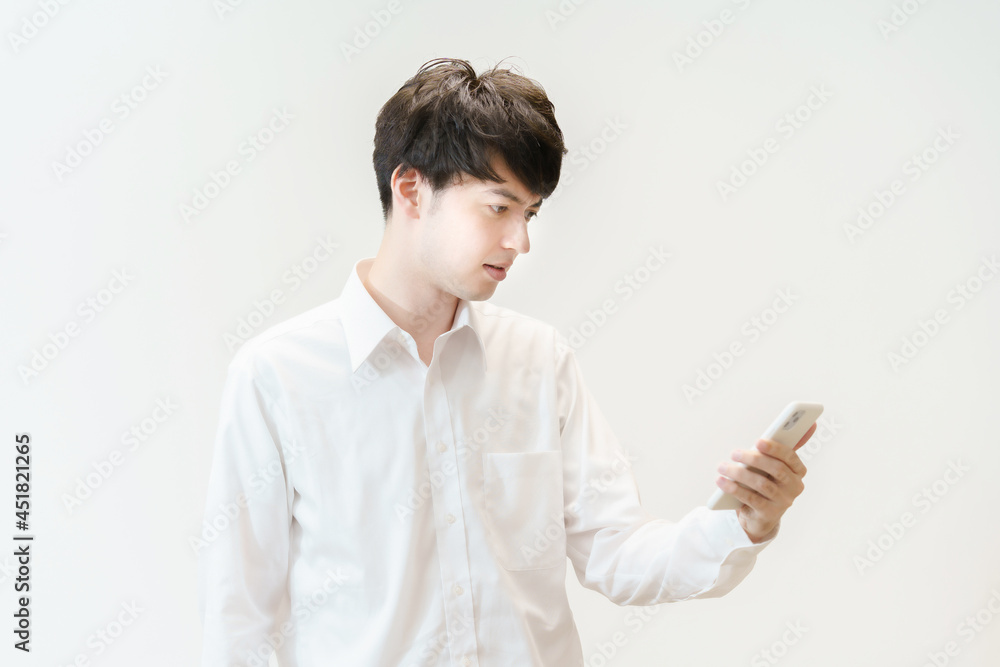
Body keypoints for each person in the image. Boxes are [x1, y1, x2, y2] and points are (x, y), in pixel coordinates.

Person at [197, 56, 815, 667]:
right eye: (499, 207)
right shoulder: (276, 377)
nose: (521, 241)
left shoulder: (539, 361)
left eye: (530, 213)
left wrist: (743, 523)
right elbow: (239, 622)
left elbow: (617, 550)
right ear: (411, 189)